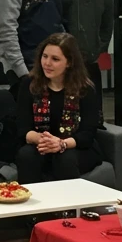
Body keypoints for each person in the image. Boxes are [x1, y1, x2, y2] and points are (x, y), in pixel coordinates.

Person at [14, 33, 103, 184]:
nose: (47, 63)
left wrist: (61, 144)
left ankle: (69, 206)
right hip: (40, 145)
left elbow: (87, 134)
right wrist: (45, 140)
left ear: (69, 62)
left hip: (75, 146)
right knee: (26, 155)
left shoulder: (85, 89)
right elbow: (23, 128)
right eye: (45, 56)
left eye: (55, 59)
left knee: (64, 157)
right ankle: (31, 206)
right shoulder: (29, 84)